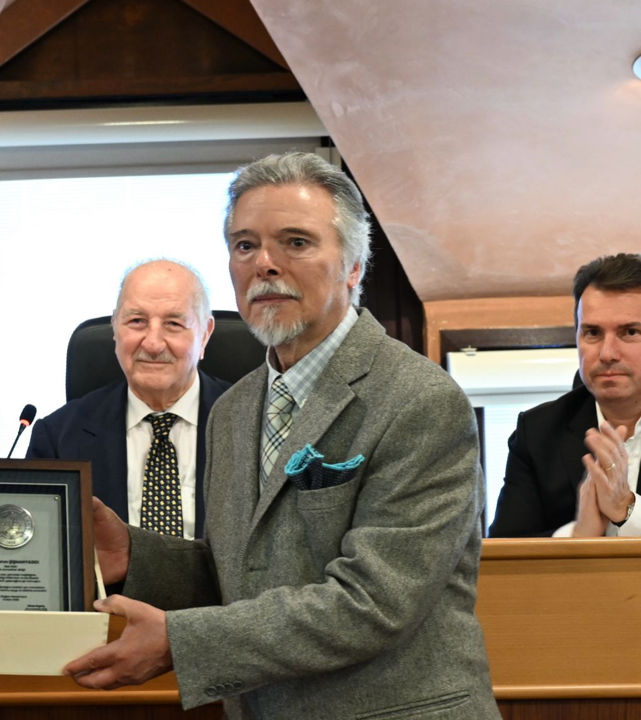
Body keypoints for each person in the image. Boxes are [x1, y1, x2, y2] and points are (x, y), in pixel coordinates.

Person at [64, 152, 501, 720]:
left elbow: (372, 602)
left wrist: (181, 641)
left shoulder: (421, 400)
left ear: (353, 267)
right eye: (245, 245)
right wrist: (135, 555)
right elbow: (242, 573)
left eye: (295, 242)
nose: (264, 264)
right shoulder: (233, 408)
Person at [26, 259, 230, 539]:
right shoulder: (58, 438)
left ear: (205, 334)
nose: (153, 344)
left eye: (173, 323)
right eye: (137, 322)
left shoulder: (252, 423)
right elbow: (42, 547)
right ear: (115, 328)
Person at [489, 253, 641, 538]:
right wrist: (578, 537)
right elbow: (505, 551)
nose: (607, 353)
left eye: (630, 332)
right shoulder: (537, 432)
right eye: (593, 332)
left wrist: (626, 508)